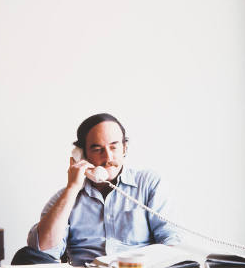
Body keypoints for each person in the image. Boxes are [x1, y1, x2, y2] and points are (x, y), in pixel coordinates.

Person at [12, 113, 181, 266]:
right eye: (97, 149)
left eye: (114, 147)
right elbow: (43, 252)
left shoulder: (149, 183)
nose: (108, 157)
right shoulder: (65, 198)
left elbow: (171, 242)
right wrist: (73, 188)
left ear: (125, 148)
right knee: (25, 256)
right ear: (82, 154)